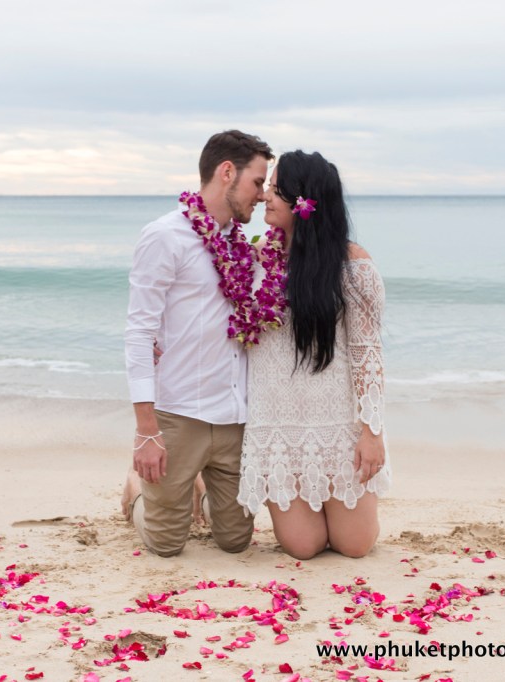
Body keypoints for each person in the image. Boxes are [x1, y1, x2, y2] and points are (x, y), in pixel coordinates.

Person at [121, 130, 273, 557]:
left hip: (233, 416)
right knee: (167, 545)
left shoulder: (242, 248)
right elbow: (138, 332)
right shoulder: (164, 236)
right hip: (178, 415)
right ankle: (136, 488)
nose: (261, 196)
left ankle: (198, 482)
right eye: (257, 182)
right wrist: (146, 431)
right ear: (228, 172)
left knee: (235, 541)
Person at [236, 150, 390, 559]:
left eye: (276, 188)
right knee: (303, 548)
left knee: (355, 546)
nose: (266, 195)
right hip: (278, 426)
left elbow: (366, 352)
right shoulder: (252, 263)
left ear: (304, 200)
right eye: (266, 185)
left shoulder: (351, 267)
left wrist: (371, 432)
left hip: (338, 424)